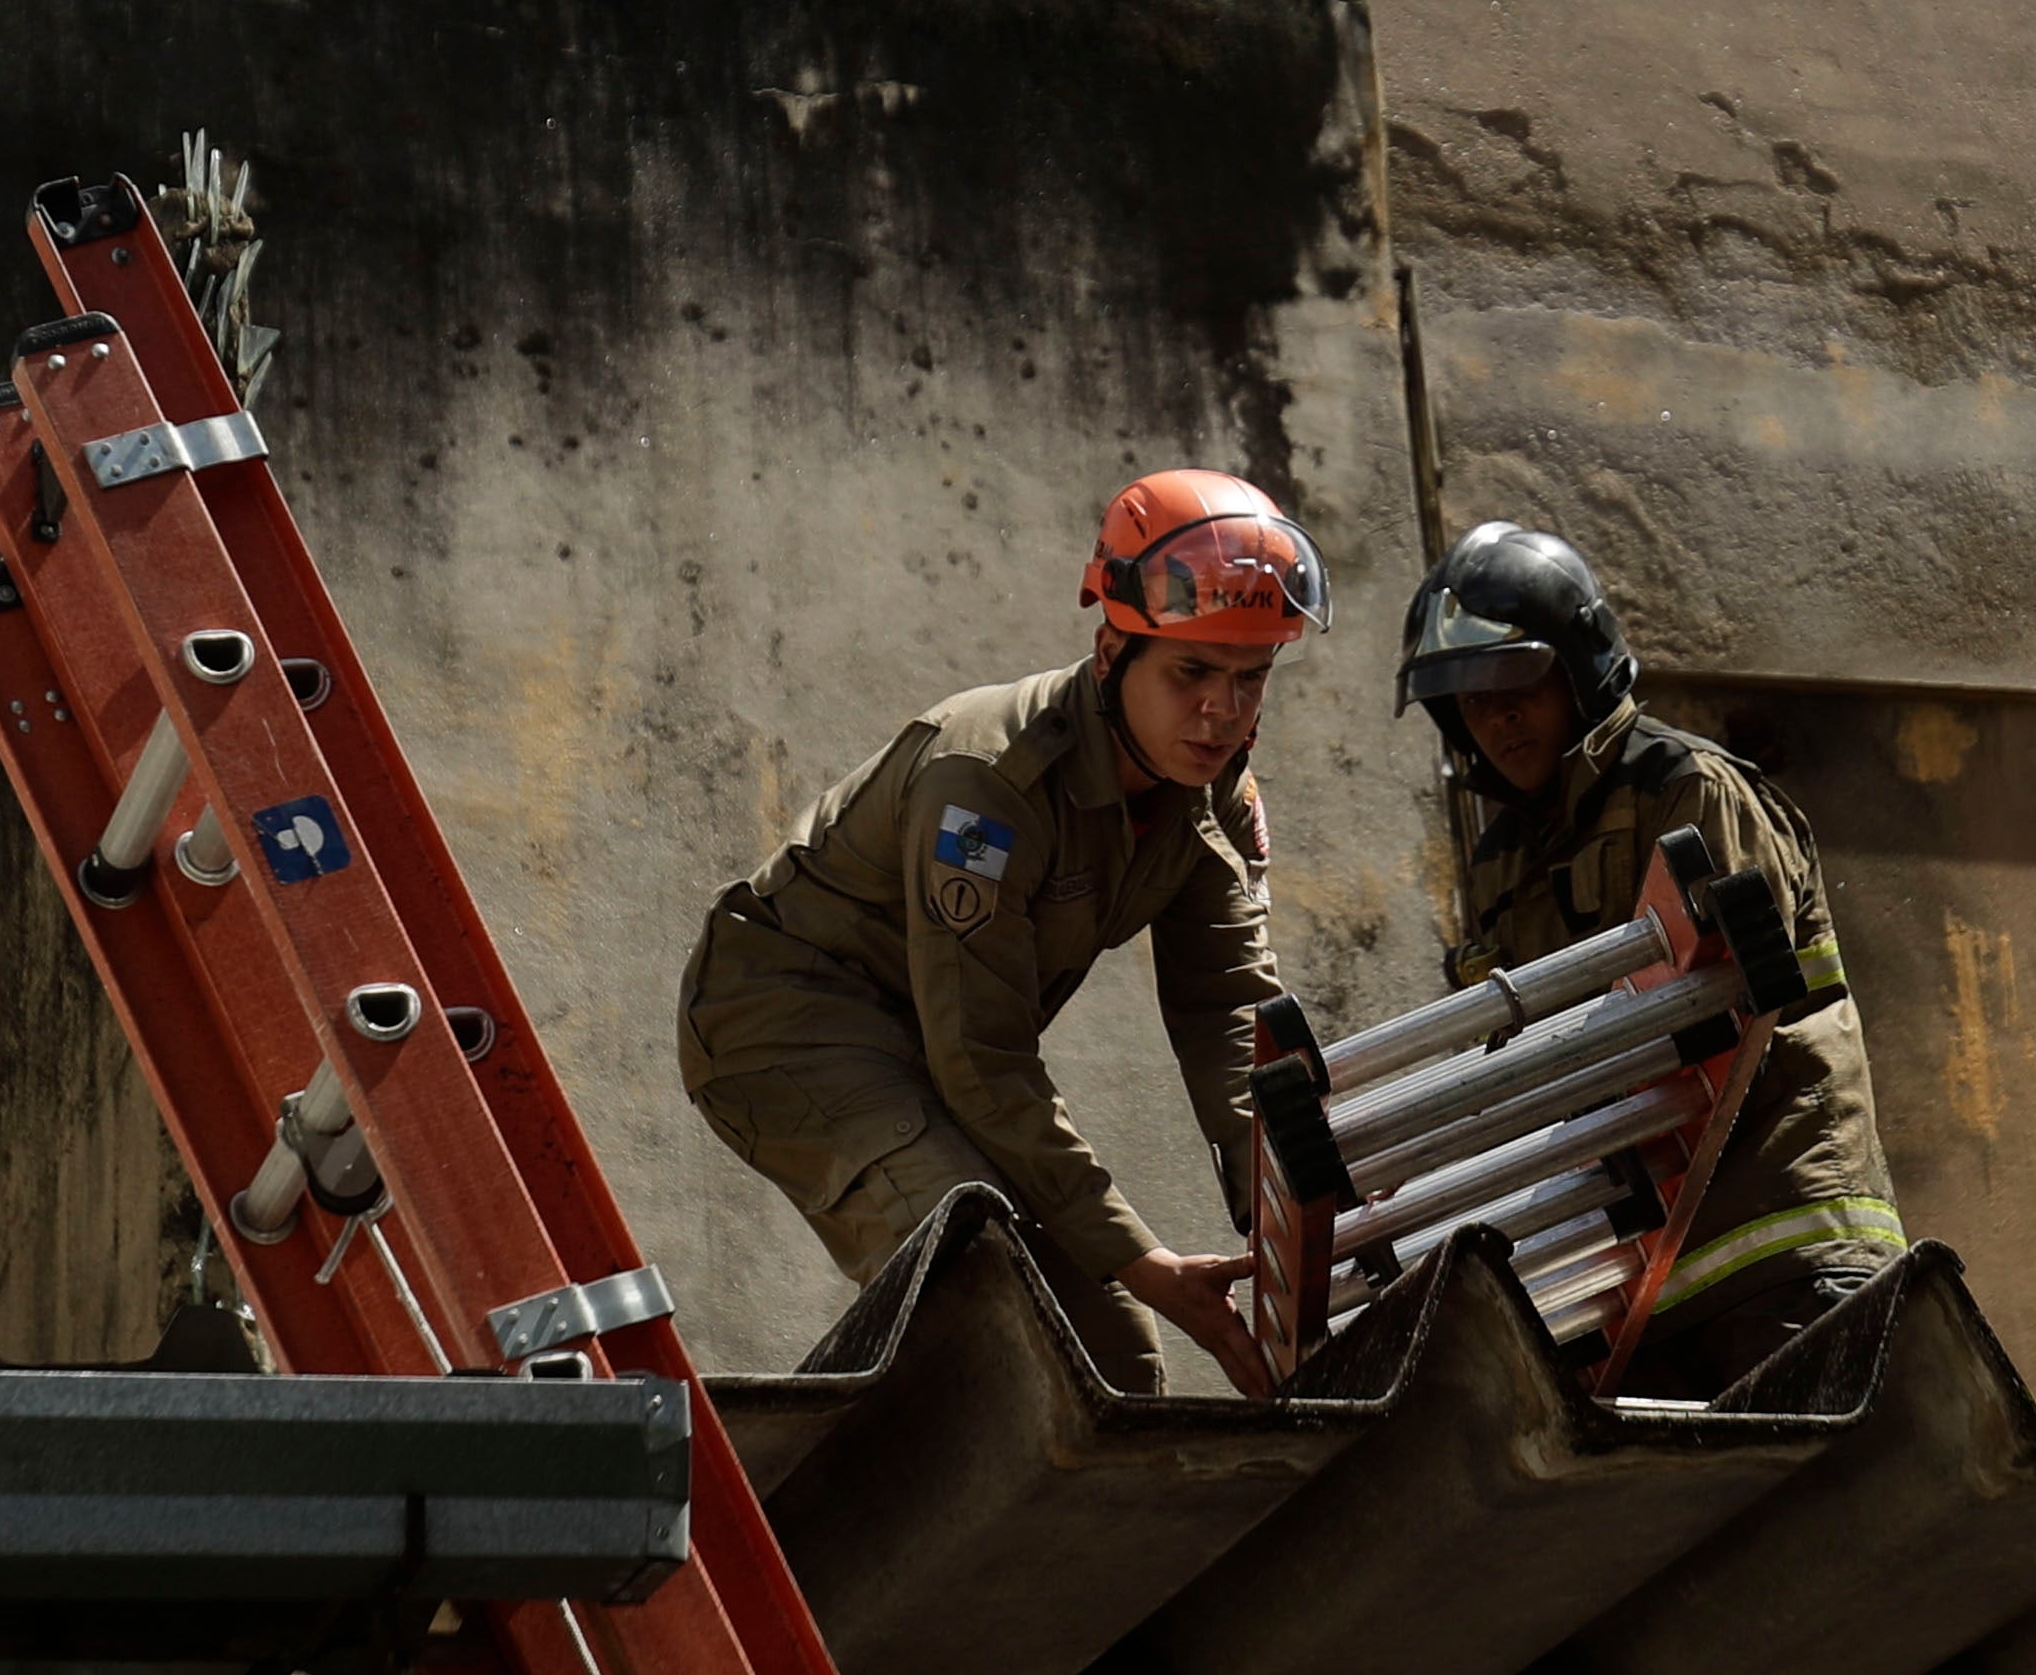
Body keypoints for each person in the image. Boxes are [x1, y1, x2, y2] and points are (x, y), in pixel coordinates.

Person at [678, 470, 1328, 1396]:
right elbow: (981, 1056)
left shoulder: (1215, 787)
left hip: (932, 1045)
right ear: (1113, 651)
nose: (1222, 712)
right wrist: (1142, 1257)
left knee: (1111, 1361)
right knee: (993, 1314)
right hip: (783, 1023)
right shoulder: (987, 782)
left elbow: (1228, 1005)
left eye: (1250, 677)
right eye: (1191, 672)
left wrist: (1289, 1207)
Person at [1398, 523, 1901, 1398]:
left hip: (1777, 1244)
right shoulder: (1502, 855)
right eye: (1468, 698)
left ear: (1579, 666)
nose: (1496, 714)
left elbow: (1728, 1016)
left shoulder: (1689, 788)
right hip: (1629, 1284)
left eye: (1515, 680)